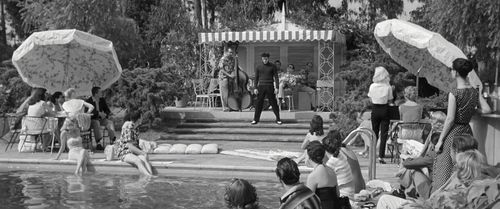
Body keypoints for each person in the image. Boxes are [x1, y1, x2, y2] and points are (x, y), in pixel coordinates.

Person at [432, 58, 491, 192]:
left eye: (452, 69)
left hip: (454, 133)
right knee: (465, 169)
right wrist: (473, 110)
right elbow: (487, 109)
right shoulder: (474, 92)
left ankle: (440, 198)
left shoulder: (455, 93)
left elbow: (450, 119)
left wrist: (440, 140)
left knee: (445, 169)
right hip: (467, 132)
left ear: (456, 72)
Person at [376, 149, 487, 209]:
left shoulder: (462, 189)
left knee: (384, 200)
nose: (455, 166)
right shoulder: (468, 183)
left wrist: (423, 205)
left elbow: (444, 203)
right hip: (427, 203)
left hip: (427, 203)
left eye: (458, 165)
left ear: (465, 168)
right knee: (386, 199)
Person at [57, 88, 94, 159]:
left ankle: (59, 156)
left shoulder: (65, 104)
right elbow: (91, 107)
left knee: (64, 140)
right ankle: (81, 154)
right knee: (78, 141)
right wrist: (85, 114)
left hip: (68, 123)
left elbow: (65, 113)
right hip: (77, 123)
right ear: (74, 94)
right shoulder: (80, 101)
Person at [115, 111, 153, 176]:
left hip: (133, 151)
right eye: (141, 117)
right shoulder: (128, 127)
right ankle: (148, 177)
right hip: (124, 152)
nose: (142, 118)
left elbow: (135, 144)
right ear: (138, 119)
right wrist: (142, 153)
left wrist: (143, 153)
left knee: (144, 159)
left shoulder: (136, 128)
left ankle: (151, 175)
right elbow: (130, 146)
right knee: (138, 160)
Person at [368, 66, 393, 164]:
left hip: (375, 109)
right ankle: (381, 156)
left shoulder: (372, 86)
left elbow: (370, 99)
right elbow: (390, 100)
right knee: (384, 134)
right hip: (384, 109)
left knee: (374, 133)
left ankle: (372, 154)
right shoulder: (388, 87)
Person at [305, 141, 342, 209]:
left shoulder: (313, 176)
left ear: (308, 156)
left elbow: (308, 202)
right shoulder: (331, 170)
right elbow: (338, 194)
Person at [321, 130, 355, 196]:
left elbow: (324, 180)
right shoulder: (340, 155)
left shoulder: (332, 162)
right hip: (350, 191)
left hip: (343, 194)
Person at [252, 52, 282, 125]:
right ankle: (256, 119)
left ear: (268, 58)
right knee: (259, 103)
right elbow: (256, 78)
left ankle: (278, 119)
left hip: (270, 85)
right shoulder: (258, 66)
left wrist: (277, 87)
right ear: (261, 59)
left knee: (273, 103)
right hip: (261, 86)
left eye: (266, 59)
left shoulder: (273, 66)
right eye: (263, 59)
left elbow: (276, 77)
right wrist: (255, 88)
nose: (265, 60)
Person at [218, 47, 236, 112]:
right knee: (224, 94)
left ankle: (230, 106)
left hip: (230, 77)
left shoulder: (233, 59)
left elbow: (232, 68)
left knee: (230, 93)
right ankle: (225, 107)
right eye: (230, 52)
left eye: (232, 52)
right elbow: (221, 69)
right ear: (226, 52)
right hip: (223, 77)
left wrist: (233, 74)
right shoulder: (223, 59)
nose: (231, 53)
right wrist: (229, 75)